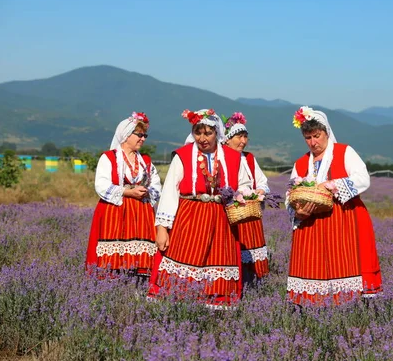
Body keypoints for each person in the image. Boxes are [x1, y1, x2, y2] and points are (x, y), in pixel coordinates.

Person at [148, 109, 252, 308]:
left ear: (217, 133)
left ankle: (216, 304)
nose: (202, 138)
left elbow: (245, 184)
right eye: (198, 132)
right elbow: (170, 191)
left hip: (221, 220)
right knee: (186, 256)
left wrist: (244, 195)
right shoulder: (183, 156)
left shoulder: (233, 157)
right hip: (190, 217)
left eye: (208, 133)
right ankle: (180, 303)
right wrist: (162, 228)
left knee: (218, 258)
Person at [286, 106, 382, 305]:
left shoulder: (344, 152)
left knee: (344, 262)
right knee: (314, 266)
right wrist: (298, 210)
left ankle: (349, 309)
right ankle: (313, 308)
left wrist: (332, 185)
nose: (313, 142)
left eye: (317, 136)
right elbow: (290, 195)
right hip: (310, 224)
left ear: (326, 132)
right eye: (308, 138)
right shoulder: (301, 163)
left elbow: (363, 179)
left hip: (343, 220)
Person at [86, 111, 162, 279]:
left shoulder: (146, 161)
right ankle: (111, 288)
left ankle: (137, 289)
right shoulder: (109, 158)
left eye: (145, 135)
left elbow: (156, 183)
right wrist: (128, 192)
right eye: (139, 135)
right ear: (126, 135)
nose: (143, 139)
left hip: (141, 211)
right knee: (114, 254)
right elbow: (102, 184)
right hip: (115, 210)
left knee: (139, 256)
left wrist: (148, 191)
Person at [224, 112, 270, 284]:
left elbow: (262, 181)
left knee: (252, 253)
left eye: (245, 137)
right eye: (239, 137)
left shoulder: (249, 158)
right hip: (232, 213)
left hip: (249, 212)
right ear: (228, 138)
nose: (243, 141)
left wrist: (260, 191)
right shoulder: (221, 158)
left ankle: (253, 285)